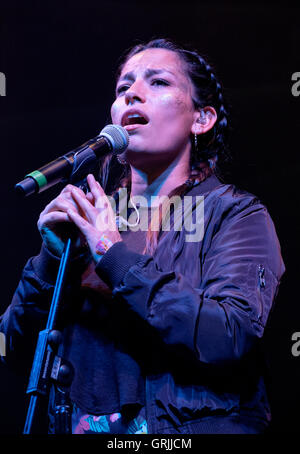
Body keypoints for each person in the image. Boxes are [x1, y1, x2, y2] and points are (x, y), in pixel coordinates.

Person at [0, 38, 285, 434]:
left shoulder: (234, 214)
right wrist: (48, 264)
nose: (133, 93)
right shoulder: (90, 218)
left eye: (159, 83)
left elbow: (230, 334)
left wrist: (112, 254)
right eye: (123, 87)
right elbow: (14, 352)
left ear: (201, 119)